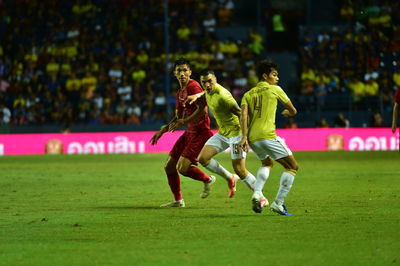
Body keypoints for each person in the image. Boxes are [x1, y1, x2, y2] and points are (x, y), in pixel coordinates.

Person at [150, 58, 215, 208]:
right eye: (179, 71)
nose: (182, 73)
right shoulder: (180, 92)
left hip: (200, 132)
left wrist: (184, 122)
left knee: (183, 168)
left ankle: (207, 179)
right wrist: (163, 130)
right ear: (174, 73)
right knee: (169, 167)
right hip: (189, 132)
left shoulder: (194, 86)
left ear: (190, 72)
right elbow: (177, 118)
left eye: (185, 70)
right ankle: (178, 201)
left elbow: (203, 110)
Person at [239, 59, 299, 215]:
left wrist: (244, 137)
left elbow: (243, 115)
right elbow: (293, 110)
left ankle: (257, 193)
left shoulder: (247, 94)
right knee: (292, 167)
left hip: (253, 138)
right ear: (265, 76)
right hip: (268, 135)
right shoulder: (275, 89)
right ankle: (278, 203)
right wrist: (287, 113)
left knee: (267, 163)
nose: (277, 78)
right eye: (274, 75)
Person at [185, 69, 258, 198]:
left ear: (215, 79)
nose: (207, 85)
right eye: (204, 82)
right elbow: (206, 92)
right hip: (223, 133)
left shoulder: (224, 96)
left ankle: (261, 196)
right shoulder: (208, 91)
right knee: (203, 158)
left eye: (210, 81)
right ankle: (230, 178)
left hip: (236, 133)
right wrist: (197, 95)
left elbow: (242, 114)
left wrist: (245, 136)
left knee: (240, 170)